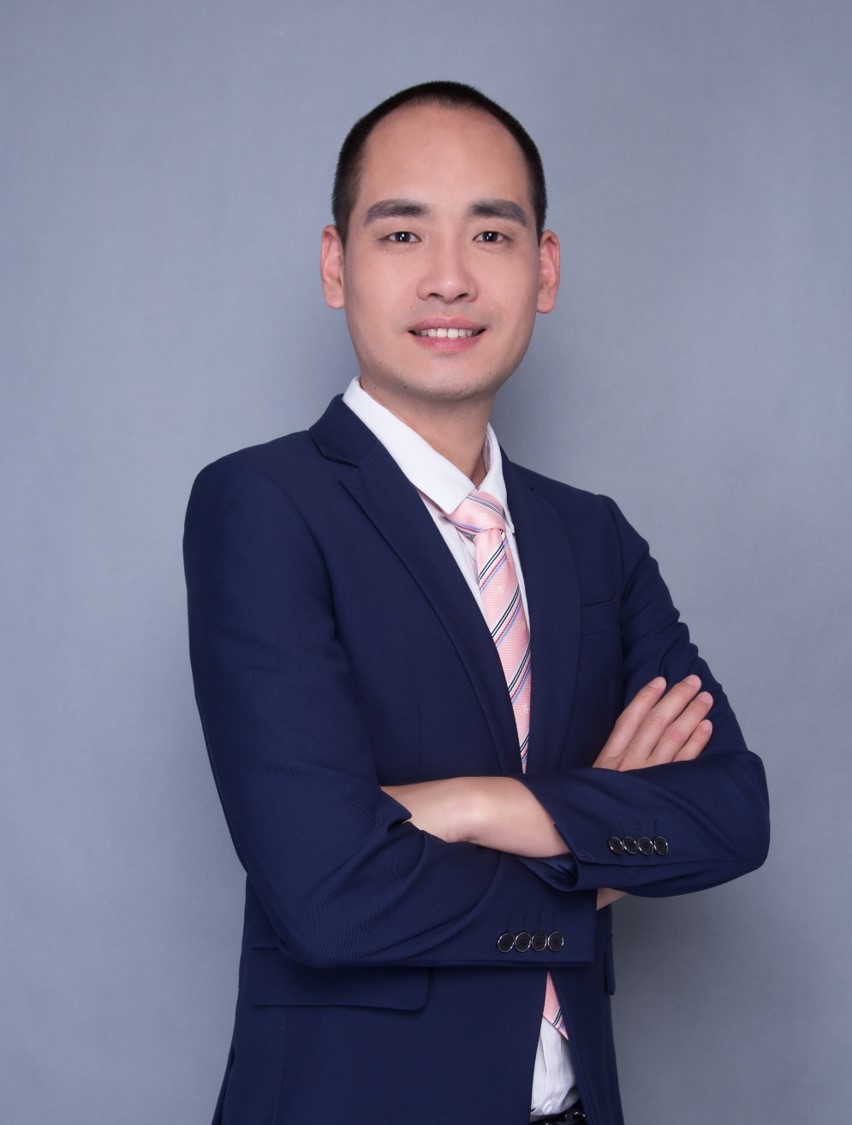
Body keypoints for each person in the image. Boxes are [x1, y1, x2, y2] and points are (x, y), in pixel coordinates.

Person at [183, 81, 769, 1125]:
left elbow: (730, 815)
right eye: (402, 232)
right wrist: (592, 858)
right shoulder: (262, 506)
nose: (449, 277)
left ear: (544, 270)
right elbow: (326, 894)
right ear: (337, 265)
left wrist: (474, 806)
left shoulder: (593, 536)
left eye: (491, 234)